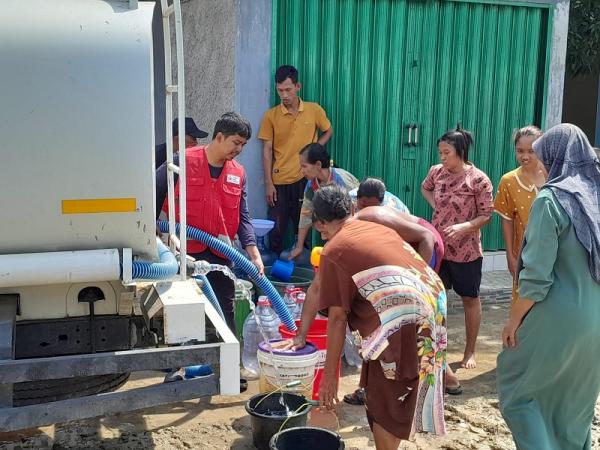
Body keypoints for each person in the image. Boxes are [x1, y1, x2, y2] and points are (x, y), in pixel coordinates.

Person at [277, 185, 447, 449]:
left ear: (321, 225)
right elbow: (318, 287)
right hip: (433, 302)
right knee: (390, 389)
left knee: (384, 399)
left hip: (402, 316)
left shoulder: (335, 249)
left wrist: (330, 380)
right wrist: (301, 335)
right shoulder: (374, 226)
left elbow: (337, 318)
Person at [497, 124, 600, 450]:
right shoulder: (595, 197)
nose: (538, 164)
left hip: (558, 315)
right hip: (595, 321)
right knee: (574, 406)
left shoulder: (550, 201)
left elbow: (536, 279)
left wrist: (513, 320)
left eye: (542, 157)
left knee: (518, 391)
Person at [158, 112, 264, 331]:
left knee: (225, 319)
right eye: (236, 142)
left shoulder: (238, 173)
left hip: (221, 257)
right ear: (218, 137)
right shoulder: (181, 162)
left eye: (243, 145)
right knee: (184, 318)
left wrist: (254, 255)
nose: (239, 149)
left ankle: (225, 363)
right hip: (184, 254)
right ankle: (186, 364)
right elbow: (154, 192)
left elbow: (243, 217)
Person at [421, 125, 493, 369]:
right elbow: (425, 188)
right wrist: (436, 207)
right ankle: (433, 350)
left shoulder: (478, 179)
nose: (442, 157)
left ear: (460, 151)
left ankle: (469, 352)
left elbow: (486, 214)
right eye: (440, 152)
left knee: (469, 299)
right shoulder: (436, 172)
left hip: (467, 251)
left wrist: (464, 227)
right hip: (439, 247)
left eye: (447, 152)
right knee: (435, 298)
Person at [259, 65, 333, 255]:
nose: (284, 95)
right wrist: (268, 183)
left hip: (305, 180)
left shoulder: (313, 110)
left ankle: (303, 269)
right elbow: (267, 150)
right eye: (280, 90)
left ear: (298, 86)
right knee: (276, 229)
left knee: (305, 225)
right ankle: (271, 272)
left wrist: (316, 147)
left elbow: (328, 129)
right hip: (279, 181)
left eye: (288, 90)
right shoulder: (271, 116)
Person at [493, 126, 546, 307]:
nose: (525, 156)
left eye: (531, 151)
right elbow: (507, 220)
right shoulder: (509, 181)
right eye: (520, 151)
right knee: (523, 301)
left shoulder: (556, 175)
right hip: (525, 253)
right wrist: (510, 255)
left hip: (556, 252)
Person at [288, 143, 358, 260]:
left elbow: (357, 213)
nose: (302, 171)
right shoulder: (312, 184)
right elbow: (306, 214)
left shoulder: (343, 181)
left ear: (318, 164)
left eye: (304, 166)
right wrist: (299, 246)